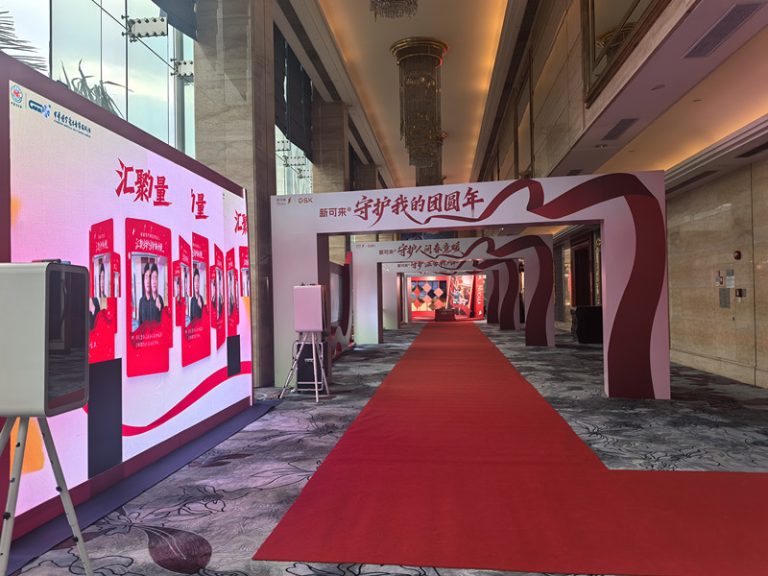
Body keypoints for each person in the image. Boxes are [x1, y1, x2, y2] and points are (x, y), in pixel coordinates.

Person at [89, 261, 105, 329]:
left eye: (104, 278)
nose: (102, 282)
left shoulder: (106, 299)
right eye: (100, 278)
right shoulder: (90, 299)